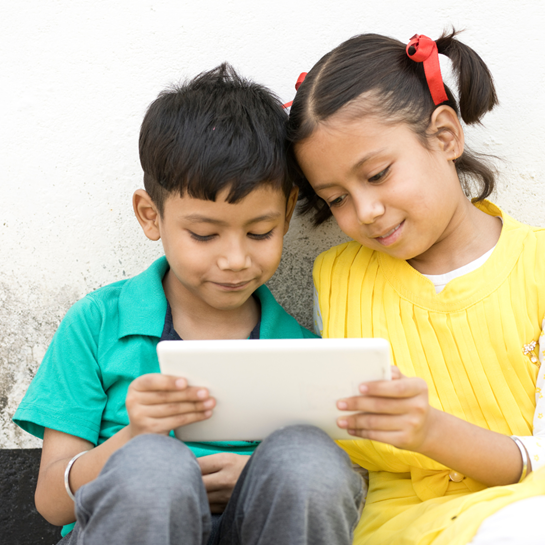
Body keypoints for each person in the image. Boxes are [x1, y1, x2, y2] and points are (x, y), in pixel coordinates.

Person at [13, 64, 364, 545]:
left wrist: (256, 475)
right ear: (150, 215)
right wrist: (133, 438)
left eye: (260, 232)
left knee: (310, 459)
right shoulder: (98, 323)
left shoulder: (302, 349)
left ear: (286, 214)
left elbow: (336, 488)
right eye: (204, 234)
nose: (235, 259)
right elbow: (51, 503)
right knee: (154, 466)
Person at [287, 30, 545, 545]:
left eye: (378, 175)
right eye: (335, 199)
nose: (365, 212)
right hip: (395, 528)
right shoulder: (335, 279)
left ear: (446, 136)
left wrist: (429, 430)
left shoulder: (536, 267)